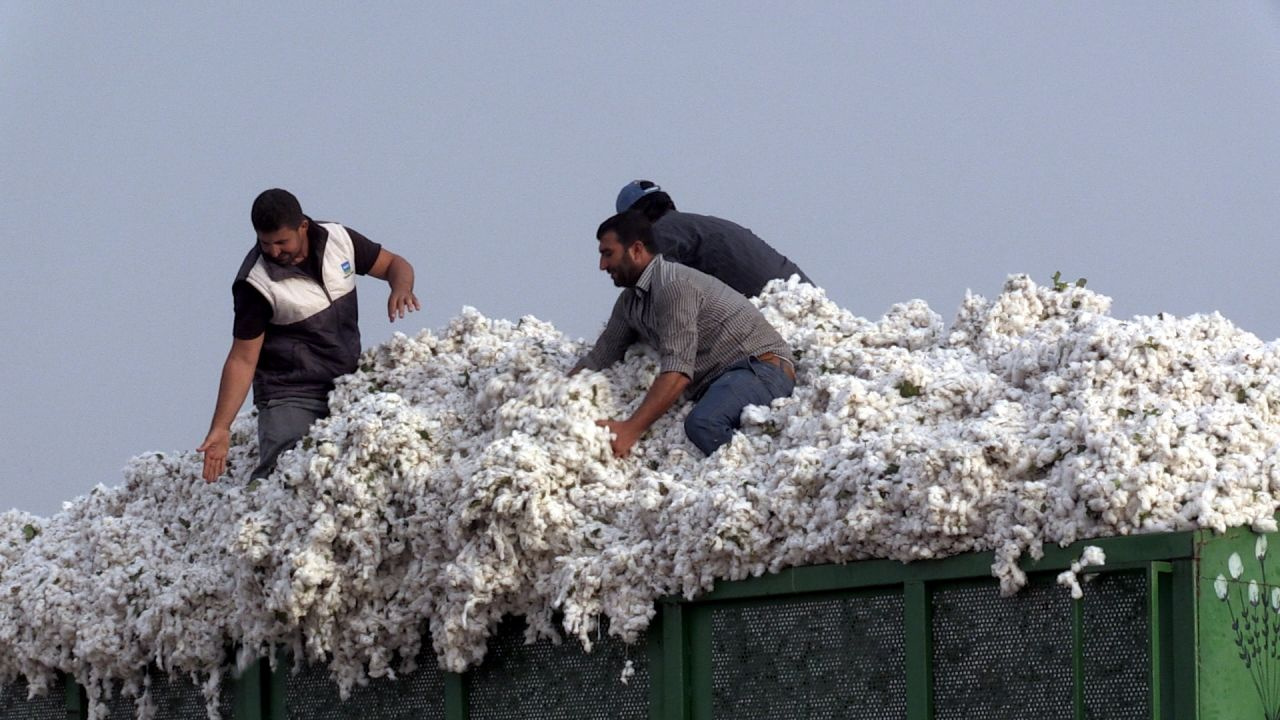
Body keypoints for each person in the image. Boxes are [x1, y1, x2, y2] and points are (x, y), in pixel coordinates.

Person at [198, 188, 420, 482]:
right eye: (266, 243)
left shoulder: (338, 240)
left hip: (345, 384)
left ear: (303, 226)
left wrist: (401, 287)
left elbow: (394, 264)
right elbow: (242, 359)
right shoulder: (255, 284)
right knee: (286, 475)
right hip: (289, 394)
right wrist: (221, 427)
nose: (274, 252)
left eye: (281, 242)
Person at [572, 210, 796, 458]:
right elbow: (600, 357)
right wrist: (556, 390)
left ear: (636, 250)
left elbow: (678, 371)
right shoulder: (630, 303)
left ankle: (757, 476)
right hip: (722, 383)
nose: (602, 266)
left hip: (759, 369)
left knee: (703, 423)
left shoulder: (673, 285)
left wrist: (630, 430)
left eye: (608, 254)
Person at [614, 180, 812, 297]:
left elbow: (663, 291)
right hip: (804, 296)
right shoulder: (693, 225)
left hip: (774, 308)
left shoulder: (660, 234)